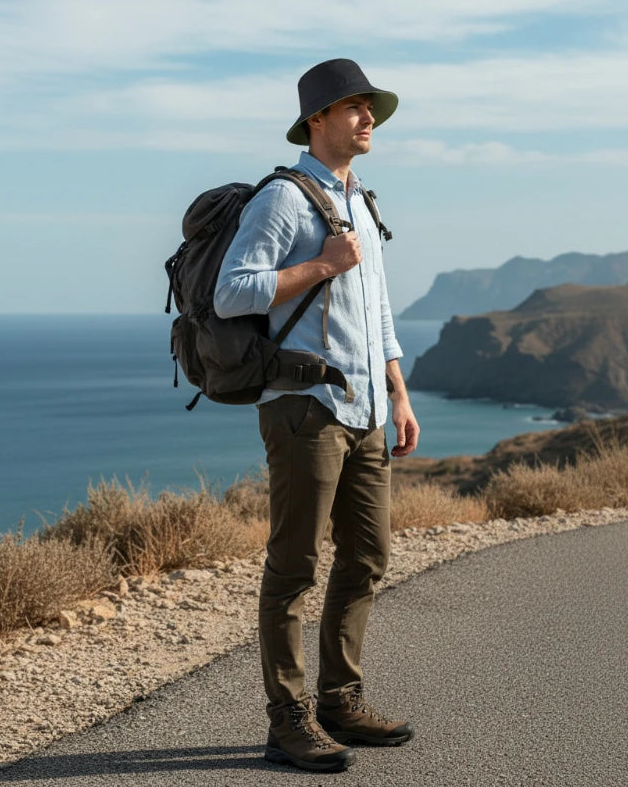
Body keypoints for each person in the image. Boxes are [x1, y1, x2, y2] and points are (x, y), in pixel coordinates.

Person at [214, 58, 420, 773]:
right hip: (305, 410)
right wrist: (321, 266)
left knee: (369, 555)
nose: (367, 119)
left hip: (363, 407)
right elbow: (232, 292)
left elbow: (379, 307)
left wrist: (397, 389)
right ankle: (287, 718)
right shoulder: (282, 199)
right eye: (353, 108)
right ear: (317, 121)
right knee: (294, 566)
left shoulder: (360, 199)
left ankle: (339, 699)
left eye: (370, 108)